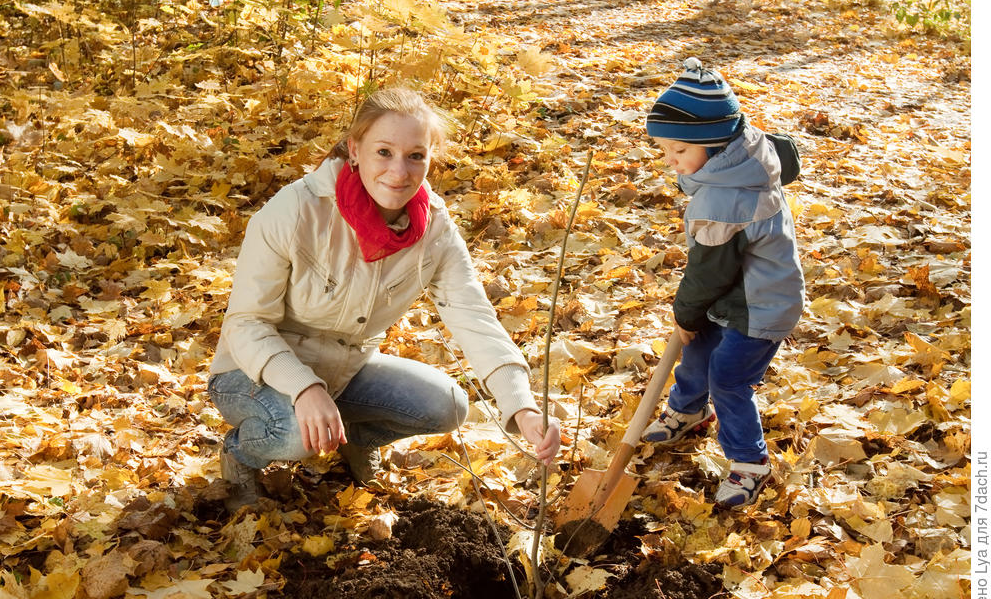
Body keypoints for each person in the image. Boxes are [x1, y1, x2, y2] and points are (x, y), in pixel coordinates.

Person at [208, 87, 561, 512]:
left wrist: (521, 407)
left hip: (345, 368)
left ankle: (357, 440)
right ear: (355, 150)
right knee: (292, 433)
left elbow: (474, 317)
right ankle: (242, 455)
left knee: (447, 404)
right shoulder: (296, 211)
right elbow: (246, 324)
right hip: (253, 372)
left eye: (415, 155)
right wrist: (303, 388)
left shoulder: (434, 229)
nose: (399, 172)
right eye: (384, 152)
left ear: (431, 157)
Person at [639, 58, 805, 509]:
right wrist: (694, 321)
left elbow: (708, 273)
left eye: (678, 151)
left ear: (712, 144)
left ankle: (750, 463)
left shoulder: (724, 199)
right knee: (697, 350)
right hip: (737, 291)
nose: (670, 162)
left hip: (761, 303)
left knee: (729, 378)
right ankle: (689, 410)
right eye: (665, 151)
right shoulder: (740, 159)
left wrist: (685, 314)